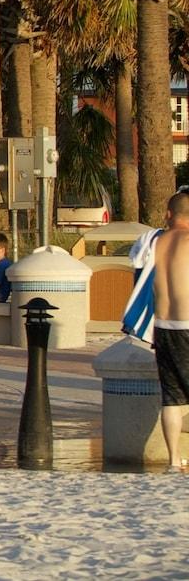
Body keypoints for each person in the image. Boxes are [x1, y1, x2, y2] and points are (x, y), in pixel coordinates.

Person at [153, 192, 189, 469]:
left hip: (163, 326)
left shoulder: (155, 242)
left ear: (168, 214)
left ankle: (174, 460)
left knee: (172, 397)